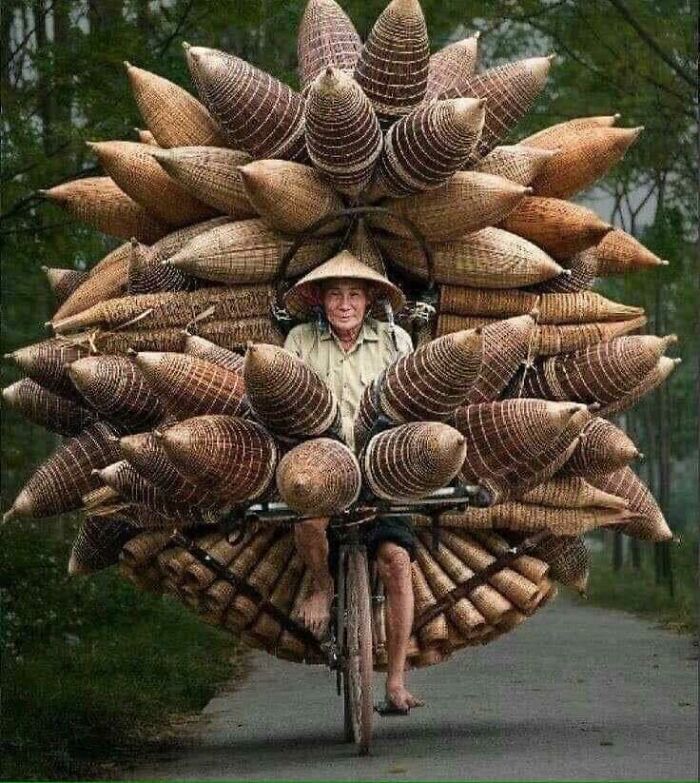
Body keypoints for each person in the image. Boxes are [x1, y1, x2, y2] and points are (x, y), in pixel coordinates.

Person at [283, 250, 423, 713]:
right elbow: (283, 402)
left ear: (369, 301)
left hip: (383, 465)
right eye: (336, 295)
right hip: (322, 464)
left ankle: (396, 681)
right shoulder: (300, 341)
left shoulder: (396, 340)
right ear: (320, 300)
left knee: (397, 561)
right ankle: (323, 583)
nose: (345, 304)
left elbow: (415, 399)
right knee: (308, 520)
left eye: (355, 295)